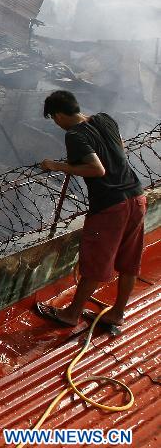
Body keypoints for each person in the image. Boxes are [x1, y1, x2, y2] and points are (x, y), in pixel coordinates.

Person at [35, 90, 145, 332]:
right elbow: (120, 148)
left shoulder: (74, 135)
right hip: (136, 196)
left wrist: (57, 165)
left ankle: (71, 314)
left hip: (110, 205)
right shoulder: (104, 119)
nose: (57, 123)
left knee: (97, 262)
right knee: (129, 261)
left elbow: (97, 169)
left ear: (60, 115)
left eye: (54, 118)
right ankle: (117, 313)